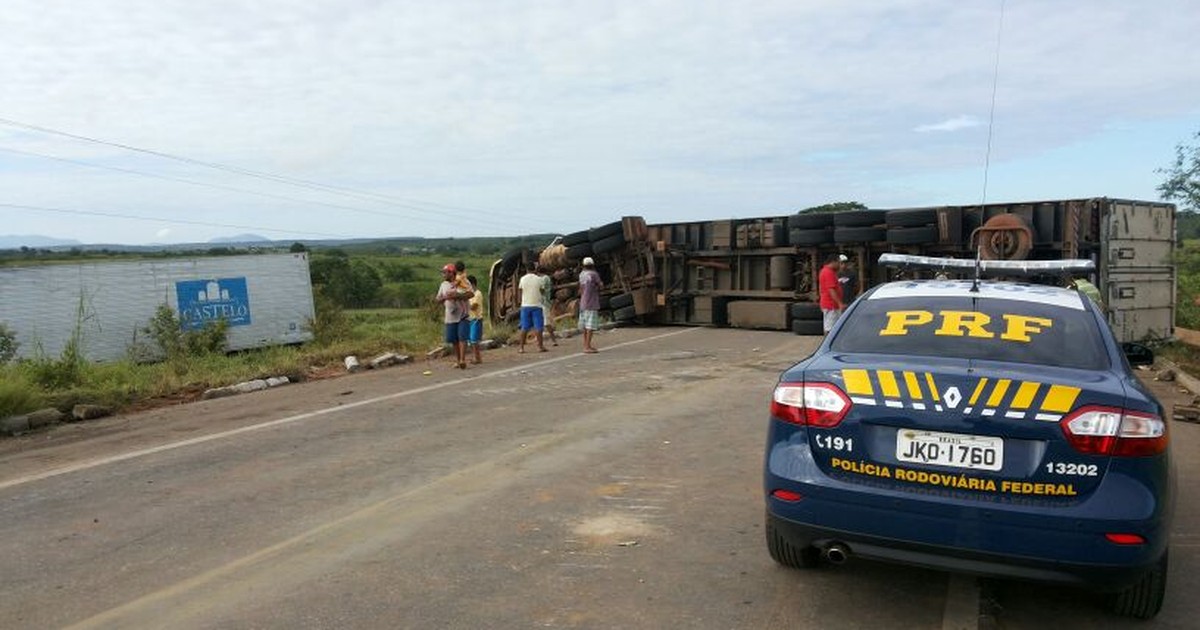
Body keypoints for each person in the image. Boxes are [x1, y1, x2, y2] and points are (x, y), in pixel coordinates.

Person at [436, 263, 473, 369]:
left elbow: (471, 294)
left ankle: (462, 360)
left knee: (462, 337)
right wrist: (445, 298)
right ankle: (458, 360)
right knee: (453, 339)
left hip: (463, 314)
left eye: (445, 272)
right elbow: (438, 299)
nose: (443, 274)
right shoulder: (443, 285)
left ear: (451, 273)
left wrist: (458, 296)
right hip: (450, 316)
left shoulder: (463, 281)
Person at [517, 265, 547, 353]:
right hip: (537, 305)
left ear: (527, 269)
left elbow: (520, 291)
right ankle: (540, 346)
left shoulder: (522, 279)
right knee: (538, 327)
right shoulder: (539, 279)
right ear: (534, 269)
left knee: (524, 327)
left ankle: (521, 348)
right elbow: (542, 291)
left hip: (525, 305)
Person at [578, 257, 604, 353]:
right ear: (592, 265)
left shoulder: (581, 275)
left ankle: (586, 344)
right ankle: (587, 347)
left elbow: (581, 288)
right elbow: (600, 285)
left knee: (585, 326)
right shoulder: (594, 274)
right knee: (590, 326)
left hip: (583, 302)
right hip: (592, 303)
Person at [818, 253, 846, 334]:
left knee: (832, 327)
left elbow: (821, 288)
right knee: (831, 328)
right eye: (838, 262)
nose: (839, 265)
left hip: (830, 304)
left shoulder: (827, 271)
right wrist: (840, 303)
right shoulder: (828, 272)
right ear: (833, 262)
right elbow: (831, 290)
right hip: (831, 305)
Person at [538, 266, 560, 346]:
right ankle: (550, 340)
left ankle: (553, 340)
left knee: (546, 323)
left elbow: (542, 289)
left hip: (543, 303)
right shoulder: (546, 278)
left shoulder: (544, 278)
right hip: (543, 303)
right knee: (544, 323)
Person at [466, 274, 485, 364]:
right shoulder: (469, 294)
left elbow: (474, 307)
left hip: (476, 319)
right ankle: (476, 357)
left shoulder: (477, 294)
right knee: (471, 340)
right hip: (470, 319)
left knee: (474, 340)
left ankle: (478, 358)